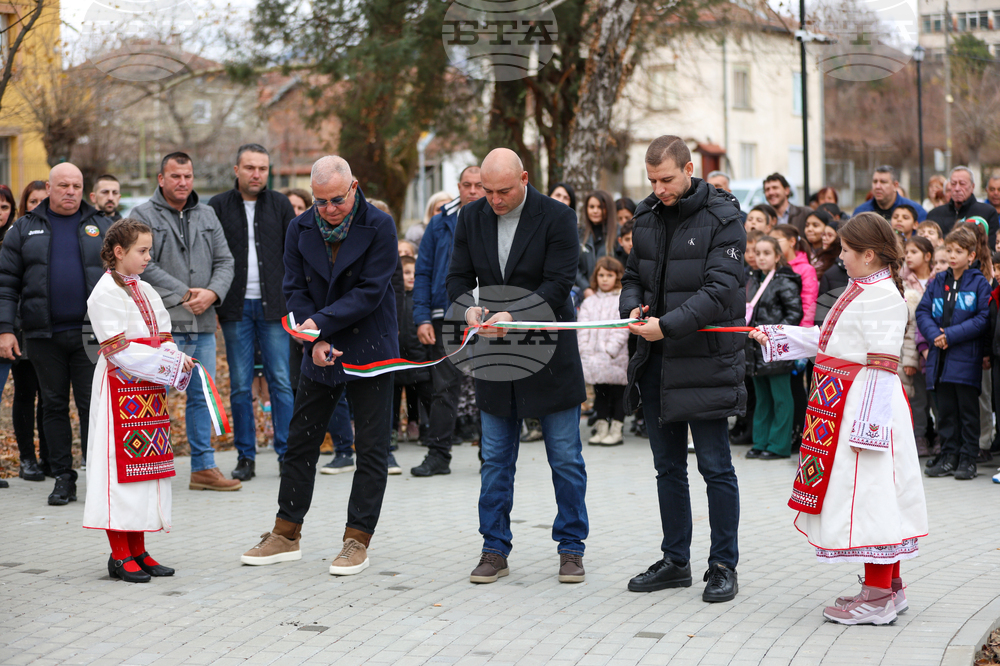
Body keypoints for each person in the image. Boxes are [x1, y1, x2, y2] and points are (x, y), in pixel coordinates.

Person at [750, 211, 928, 626]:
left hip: (864, 409)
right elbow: (829, 341)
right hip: (845, 403)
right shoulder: (862, 289)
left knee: (872, 497)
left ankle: (878, 596)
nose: (840, 256)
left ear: (868, 254)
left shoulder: (883, 297)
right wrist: (777, 335)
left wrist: (868, 430)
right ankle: (888, 587)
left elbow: (881, 366)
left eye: (846, 250)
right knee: (872, 496)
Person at [240, 155, 399, 576]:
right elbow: (293, 288)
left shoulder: (380, 225)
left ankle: (357, 539)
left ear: (354, 187)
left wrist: (321, 326)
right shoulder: (299, 227)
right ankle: (285, 533)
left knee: (371, 448)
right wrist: (315, 339)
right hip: (318, 345)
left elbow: (370, 291)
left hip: (370, 344)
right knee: (301, 441)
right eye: (320, 201)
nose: (328, 209)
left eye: (337, 200)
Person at [447, 147, 589, 585]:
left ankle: (571, 547)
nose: (494, 200)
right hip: (496, 353)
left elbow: (558, 284)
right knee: (494, 459)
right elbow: (457, 277)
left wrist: (515, 314)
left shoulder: (558, 217)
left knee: (565, 458)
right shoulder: (471, 217)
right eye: (487, 191)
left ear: (524, 179)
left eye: (503, 191)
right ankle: (494, 548)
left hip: (550, 351)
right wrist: (468, 310)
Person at [621, 135, 744, 603]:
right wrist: (632, 308)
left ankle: (723, 565)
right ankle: (675, 561)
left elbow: (719, 291)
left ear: (690, 169)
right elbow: (632, 276)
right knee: (667, 468)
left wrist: (666, 326)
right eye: (652, 180)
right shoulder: (646, 215)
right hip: (655, 360)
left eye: (667, 179)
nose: (659, 189)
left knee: (715, 467)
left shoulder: (724, 217)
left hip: (704, 360)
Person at [84, 218, 195, 582]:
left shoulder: (145, 289)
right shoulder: (104, 293)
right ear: (119, 252)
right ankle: (120, 555)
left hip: (147, 393)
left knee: (147, 472)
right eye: (142, 251)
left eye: (149, 250)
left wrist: (174, 357)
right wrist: (168, 363)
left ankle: (139, 549)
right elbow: (118, 349)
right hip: (119, 390)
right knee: (119, 472)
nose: (148, 257)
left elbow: (164, 334)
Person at [0, 163, 113, 505]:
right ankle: (64, 477)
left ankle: (99, 477)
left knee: (94, 407)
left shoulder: (102, 225)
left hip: (91, 335)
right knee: (53, 405)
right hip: (43, 335)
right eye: (63, 185)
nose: (70, 191)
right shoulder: (23, 228)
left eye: (76, 185)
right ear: (49, 188)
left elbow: (125, 279)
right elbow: (6, 285)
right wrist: (5, 330)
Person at [130, 152, 238, 491]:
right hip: (163, 327)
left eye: (188, 176)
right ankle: (146, 468)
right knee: (154, 395)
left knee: (201, 396)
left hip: (203, 323)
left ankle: (203, 468)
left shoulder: (207, 214)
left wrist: (212, 293)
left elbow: (226, 261)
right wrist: (186, 293)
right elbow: (144, 264)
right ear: (161, 178)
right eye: (175, 176)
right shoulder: (142, 215)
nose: (183, 182)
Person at [209, 144, 296, 482]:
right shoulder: (218, 206)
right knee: (241, 385)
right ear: (237, 170)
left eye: (262, 168)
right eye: (250, 167)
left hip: (275, 307)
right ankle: (245, 456)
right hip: (235, 307)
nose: (256, 174)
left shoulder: (280, 205)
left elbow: (294, 254)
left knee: (281, 381)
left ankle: (287, 454)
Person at [411, 165, 484, 476]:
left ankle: (492, 456)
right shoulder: (440, 222)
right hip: (448, 315)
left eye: (479, 185)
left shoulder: (500, 216)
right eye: (467, 184)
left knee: (491, 385)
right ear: (458, 186)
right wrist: (422, 317)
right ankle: (438, 455)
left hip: (491, 316)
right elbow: (423, 271)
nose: (473, 191)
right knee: (444, 388)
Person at [917, 224, 991, 481]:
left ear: (971, 255)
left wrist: (950, 335)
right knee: (946, 411)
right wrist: (935, 336)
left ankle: (968, 458)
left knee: (967, 412)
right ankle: (949, 456)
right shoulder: (938, 281)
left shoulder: (978, 282)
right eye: (949, 250)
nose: (952, 255)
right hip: (940, 357)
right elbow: (922, 312)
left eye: (958, 251)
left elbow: (982, 318)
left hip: (965, 357)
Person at [744, 235, 802, 460]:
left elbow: (794, 313)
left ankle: (778, 445)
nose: (760, 258)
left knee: (781, 398)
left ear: (778, 256)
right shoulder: (752, 279)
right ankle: (760, 442)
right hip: (755, 349)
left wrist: (775, 336)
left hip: (777, 348)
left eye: (766, 253)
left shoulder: (785, 281)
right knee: (762, 398)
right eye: (757, 253)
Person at [578, 256, 629, 446]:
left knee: (617, 394)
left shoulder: (621, 299)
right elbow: (582, 327)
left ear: (617, 276)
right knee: (600, 394)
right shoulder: (589, 302)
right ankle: (601, 428)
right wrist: (584, 349)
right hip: (593, 357)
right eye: (601, 275)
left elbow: (623, 327)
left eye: (609, 275)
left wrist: (610, 350)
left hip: (615, 357)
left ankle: (616, 429)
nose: (605, 279)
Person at [901, 236, 936, 456]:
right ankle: (919, 437)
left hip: (937, 349)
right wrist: (910, 359)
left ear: (928, 256)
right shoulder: (902, 282)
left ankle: (940, 437)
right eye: (907, 252)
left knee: (938, 400)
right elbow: (908, 327)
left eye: (914, 252)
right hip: (914, 353)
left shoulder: (939, 279)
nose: (908, 256)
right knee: (918, 399)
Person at [928, 166, 1000, 242]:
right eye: (953, 184)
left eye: (962, 184)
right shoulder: (935, 214)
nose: (957, 188)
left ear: (972, 187)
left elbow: (993, 245)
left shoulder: (987, 213)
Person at [576, 190, 618, 302]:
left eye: (600, 207)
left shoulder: (618, 234)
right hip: (586, 296)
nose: (595, 211)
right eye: (591, 207)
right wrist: (585, 288)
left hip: (614, 296)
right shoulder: (579, 234)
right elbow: (573, 266)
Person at [773, 224, 818, 326]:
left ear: (792, 241)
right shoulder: (773, 267)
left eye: (776, 241)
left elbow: (808, 304)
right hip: (773, 327)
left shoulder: (806, 269)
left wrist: (804, 331)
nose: (773, 245)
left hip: (795, 329)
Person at [852, 166, 927, 222]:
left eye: (883, 182)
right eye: (875, 182)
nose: (877, 186)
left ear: (895, 185)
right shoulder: (860, 213)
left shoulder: (916, 211)